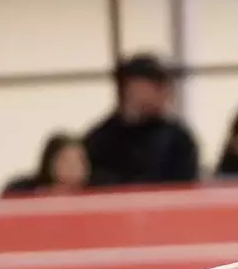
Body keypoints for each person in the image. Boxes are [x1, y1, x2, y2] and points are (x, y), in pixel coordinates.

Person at [83, 53, 202, 187]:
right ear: (130, 88)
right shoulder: (99, 140)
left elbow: (187, 186)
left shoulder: (178, 138)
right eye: (156, 87)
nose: (165, 94)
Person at [0, 133, 90, 198]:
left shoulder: (94, 196)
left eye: (79, 160)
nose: (73, 167)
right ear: (49, 163)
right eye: (66, 161)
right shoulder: (22, 190)